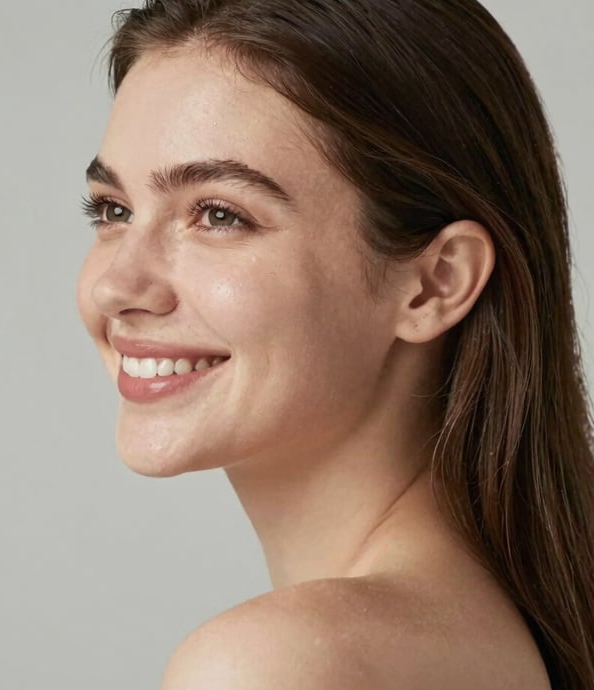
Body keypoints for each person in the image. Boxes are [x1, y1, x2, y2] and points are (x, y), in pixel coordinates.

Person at [76, 1, 594, 688]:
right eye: (113, 211)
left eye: (220, 215)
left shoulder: (275, 664)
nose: (117, 285)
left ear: (436, 283)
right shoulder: (495, 632)